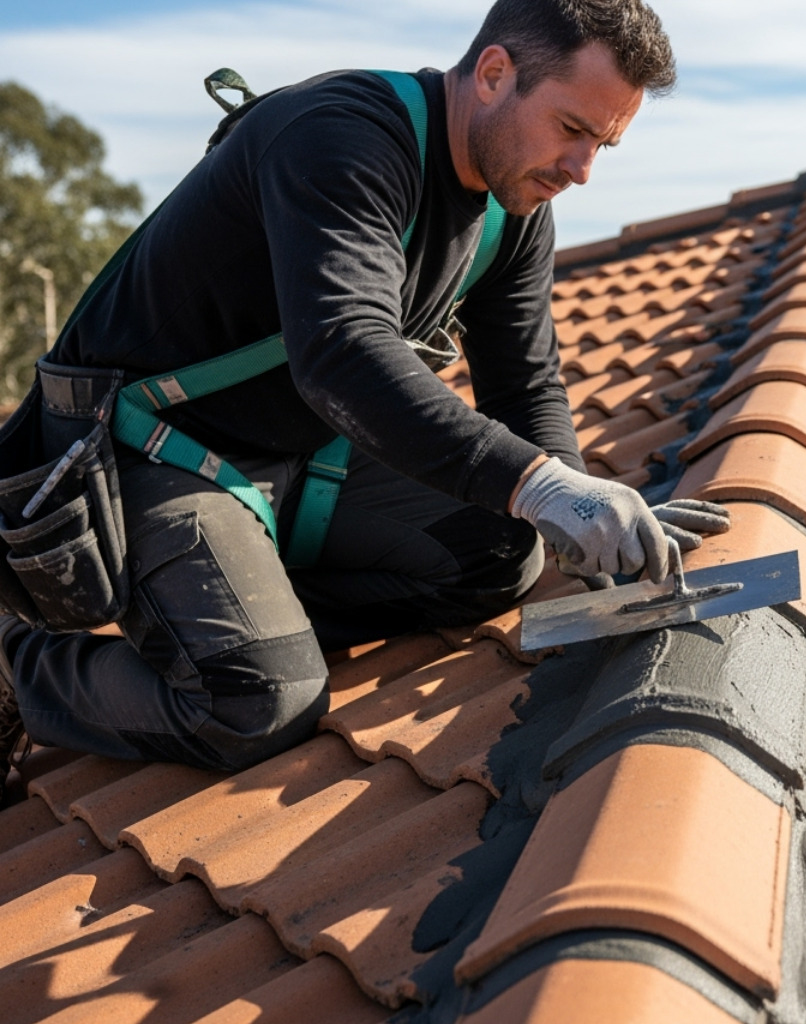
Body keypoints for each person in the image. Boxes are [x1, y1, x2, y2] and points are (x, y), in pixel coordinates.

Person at [0, 0, 728, 773]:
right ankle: (19, 659)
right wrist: (538, 482)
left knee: (505, 551)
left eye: (603, 146)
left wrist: (573, 506)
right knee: (254, 703)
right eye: (573, 130)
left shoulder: (512, 208)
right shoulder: (339, 137)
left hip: (298, 454)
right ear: (492, 74)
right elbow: (341, 350)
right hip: (149, 451)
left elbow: (525, 384)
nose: (581, 171)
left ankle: (231, 617)